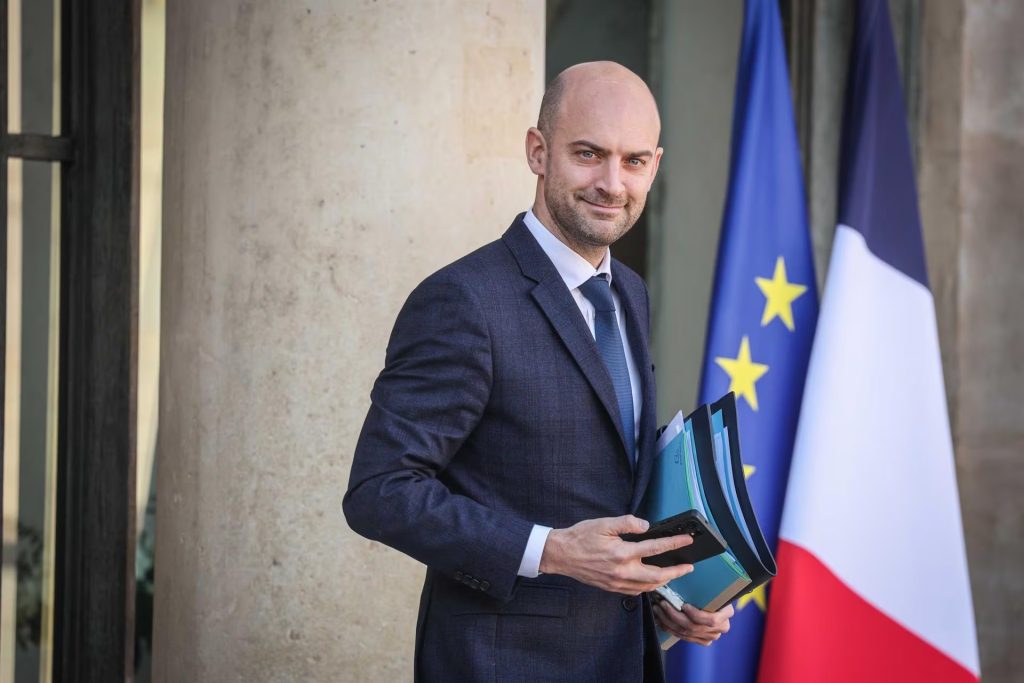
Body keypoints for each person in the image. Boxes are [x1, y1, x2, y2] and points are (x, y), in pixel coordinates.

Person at [344, 61, 733, 682]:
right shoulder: (463, 301)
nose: (612, 183)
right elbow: (379, 491)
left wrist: (669, 595)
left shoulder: (629, 292)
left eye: (633, 161)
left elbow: (607, 486)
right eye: (588, 154)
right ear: (538, 152)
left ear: (655, 166)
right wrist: (550, 550)